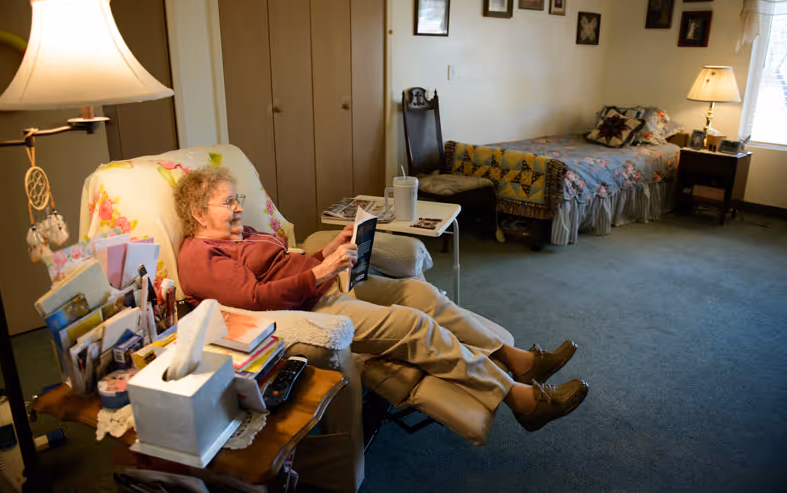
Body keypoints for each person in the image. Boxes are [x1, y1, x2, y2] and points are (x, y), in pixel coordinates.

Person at [174, 167, 589, 432]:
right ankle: (520, 398)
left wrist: (327, 253)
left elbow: (287, 264)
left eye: (237, 199)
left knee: (417, 291)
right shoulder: (200, 254)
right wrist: (319, 271)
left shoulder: (244, 235)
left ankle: (517, 358)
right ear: (197, 213)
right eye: (227, 201)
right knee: (414, 326)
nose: (237, 207)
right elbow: (253, 299)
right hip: (307, 309)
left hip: (322, 285)